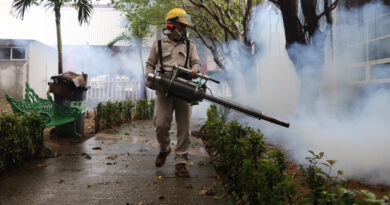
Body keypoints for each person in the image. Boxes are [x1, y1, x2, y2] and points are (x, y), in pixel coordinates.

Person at [145, 8, 201, 177]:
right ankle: (164, 149)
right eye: (179, 25)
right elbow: (149, 65)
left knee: (184, 128)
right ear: (170, 25)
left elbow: (196, 63)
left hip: (184, 89)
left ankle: (181, 162)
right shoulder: (158, 45)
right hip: (164, 89)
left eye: (184, 26)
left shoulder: (190, 46)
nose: (183, 29)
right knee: (161, 124)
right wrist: (148, 78)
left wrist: (194, 70)